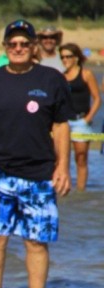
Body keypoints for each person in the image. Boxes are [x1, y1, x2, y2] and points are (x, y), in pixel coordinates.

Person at [0, 20, 72, 288]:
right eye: (12, 43)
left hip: (39, 174)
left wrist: (63, 167)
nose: (18, 48)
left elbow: (62, 126)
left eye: (24, 43)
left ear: (34, 46)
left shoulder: (52, 80)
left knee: (37, 242)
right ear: (4, 47)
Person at [59, 43, 99, 191]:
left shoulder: (86, 74)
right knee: (61, 158)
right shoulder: (61, 77)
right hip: (64, 121)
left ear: (76, 58)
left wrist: (88, 118)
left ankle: (81, 190)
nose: (65, 60)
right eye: (62, 57)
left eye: (68, 56)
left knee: (81, 157)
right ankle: (64, 187)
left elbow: (97, 98)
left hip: (81, 120)